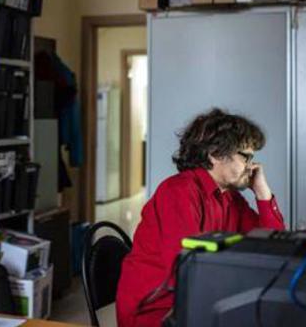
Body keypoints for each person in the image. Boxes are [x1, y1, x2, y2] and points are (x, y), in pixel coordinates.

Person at [115, 109, 285, 327]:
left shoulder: (230, 198)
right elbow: (186, 269)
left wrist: (263, 193)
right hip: (157, 309)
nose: (252, 166)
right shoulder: (178, 191)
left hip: (196, 299)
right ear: (215, 154)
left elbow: (271, 241)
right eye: (246, 157)